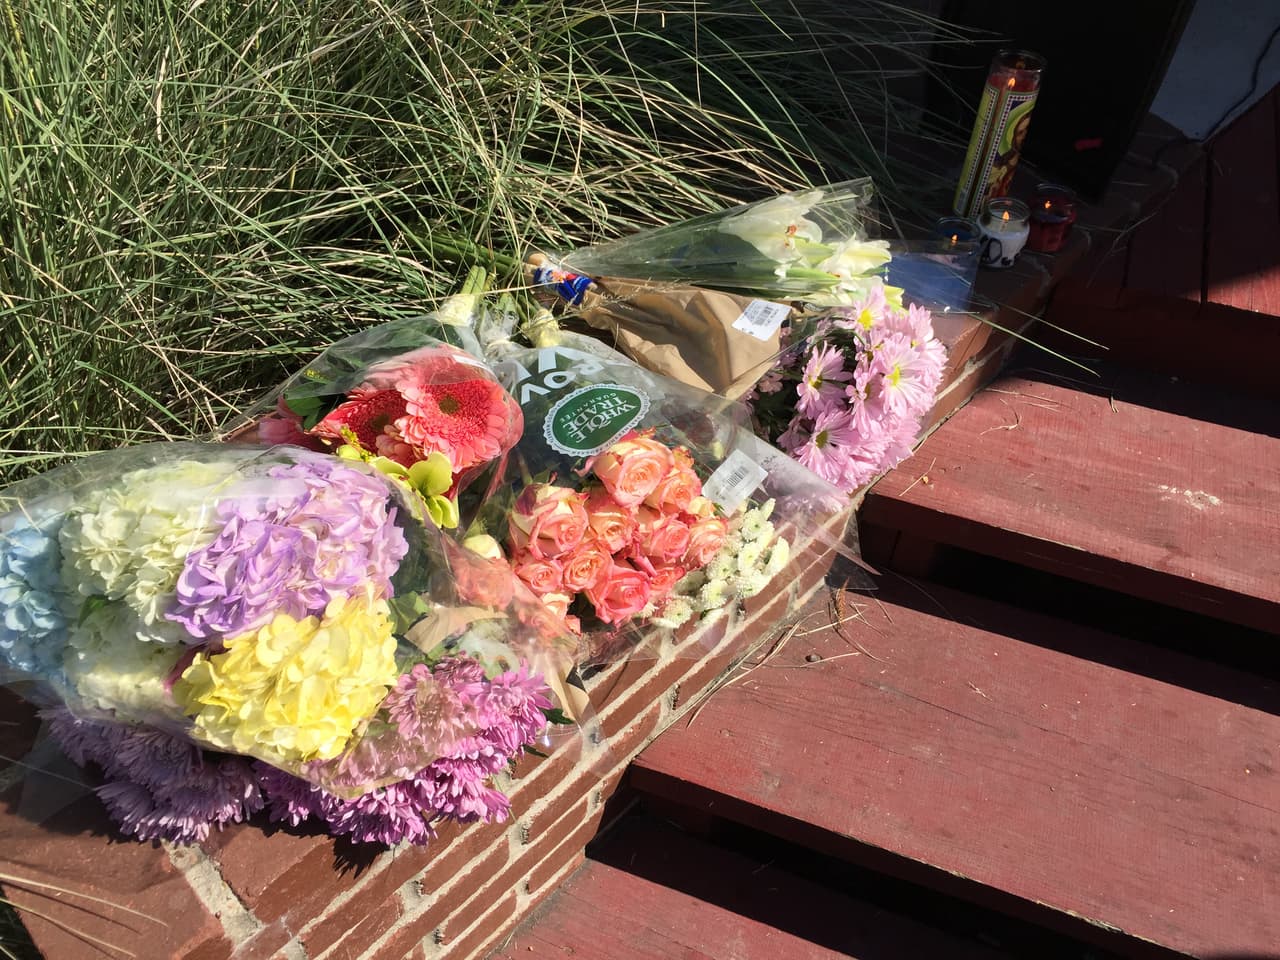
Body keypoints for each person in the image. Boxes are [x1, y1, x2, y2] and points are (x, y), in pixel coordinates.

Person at [984, 110, 1032, 204]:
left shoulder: (1016, 158)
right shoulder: (1001, 163)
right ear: (1014, 136)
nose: (1024, 136)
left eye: (1026, 129)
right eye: (1020, 133)